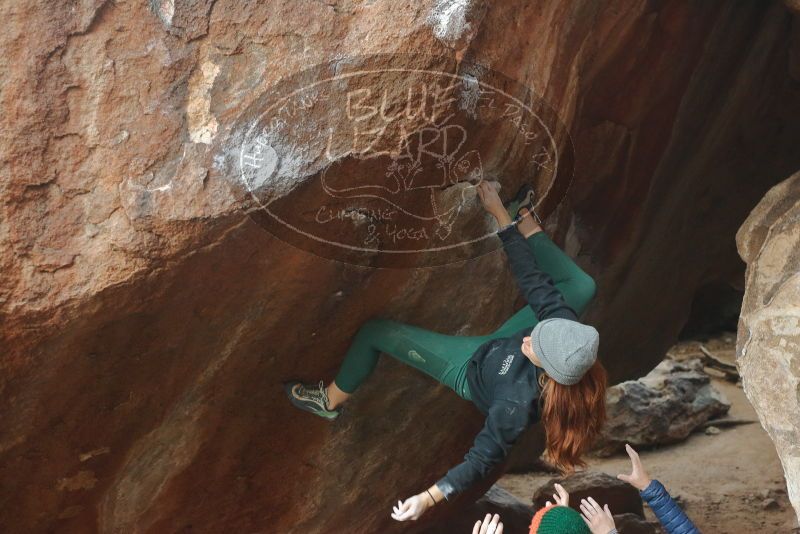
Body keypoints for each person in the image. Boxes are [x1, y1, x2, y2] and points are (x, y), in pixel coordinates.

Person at [285, 181, 608, 522]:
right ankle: (521, 214)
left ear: (549, 369)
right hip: (507, 346)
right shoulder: (563, 332)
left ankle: (328, 400)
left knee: (375, 333)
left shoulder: (513, 404)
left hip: (471, 365)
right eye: (540, 332)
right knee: (582, 287)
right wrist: (500, 213)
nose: (533, 337)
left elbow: (481, 460)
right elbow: (532, 280)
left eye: (536, 346)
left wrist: (427, 499)